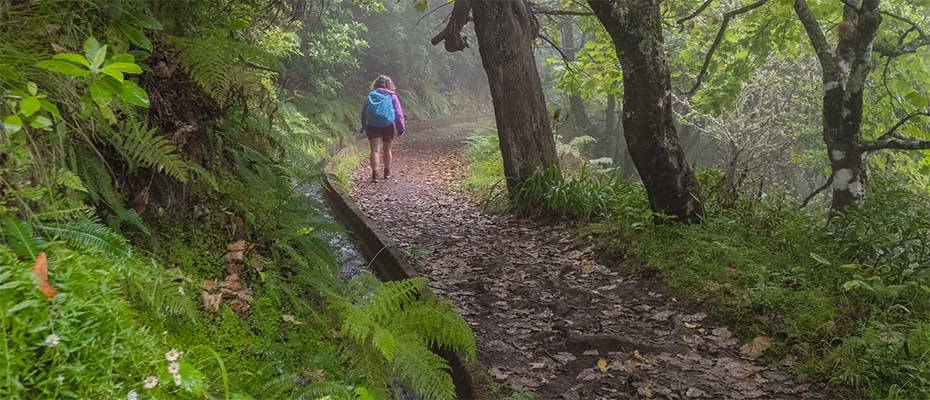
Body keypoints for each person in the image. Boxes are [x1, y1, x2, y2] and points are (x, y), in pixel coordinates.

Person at [360, 75, 405, 183]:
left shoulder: (371, 96)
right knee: (387, 149)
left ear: (375, 84)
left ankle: (375, 174)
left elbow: (364, 112)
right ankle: (386, 172)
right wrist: (400, 128)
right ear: (389, 85)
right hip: (387, 125)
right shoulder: (392, 96)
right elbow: (399, 113)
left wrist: (363, 126)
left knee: (374, 150)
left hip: (372, 125)